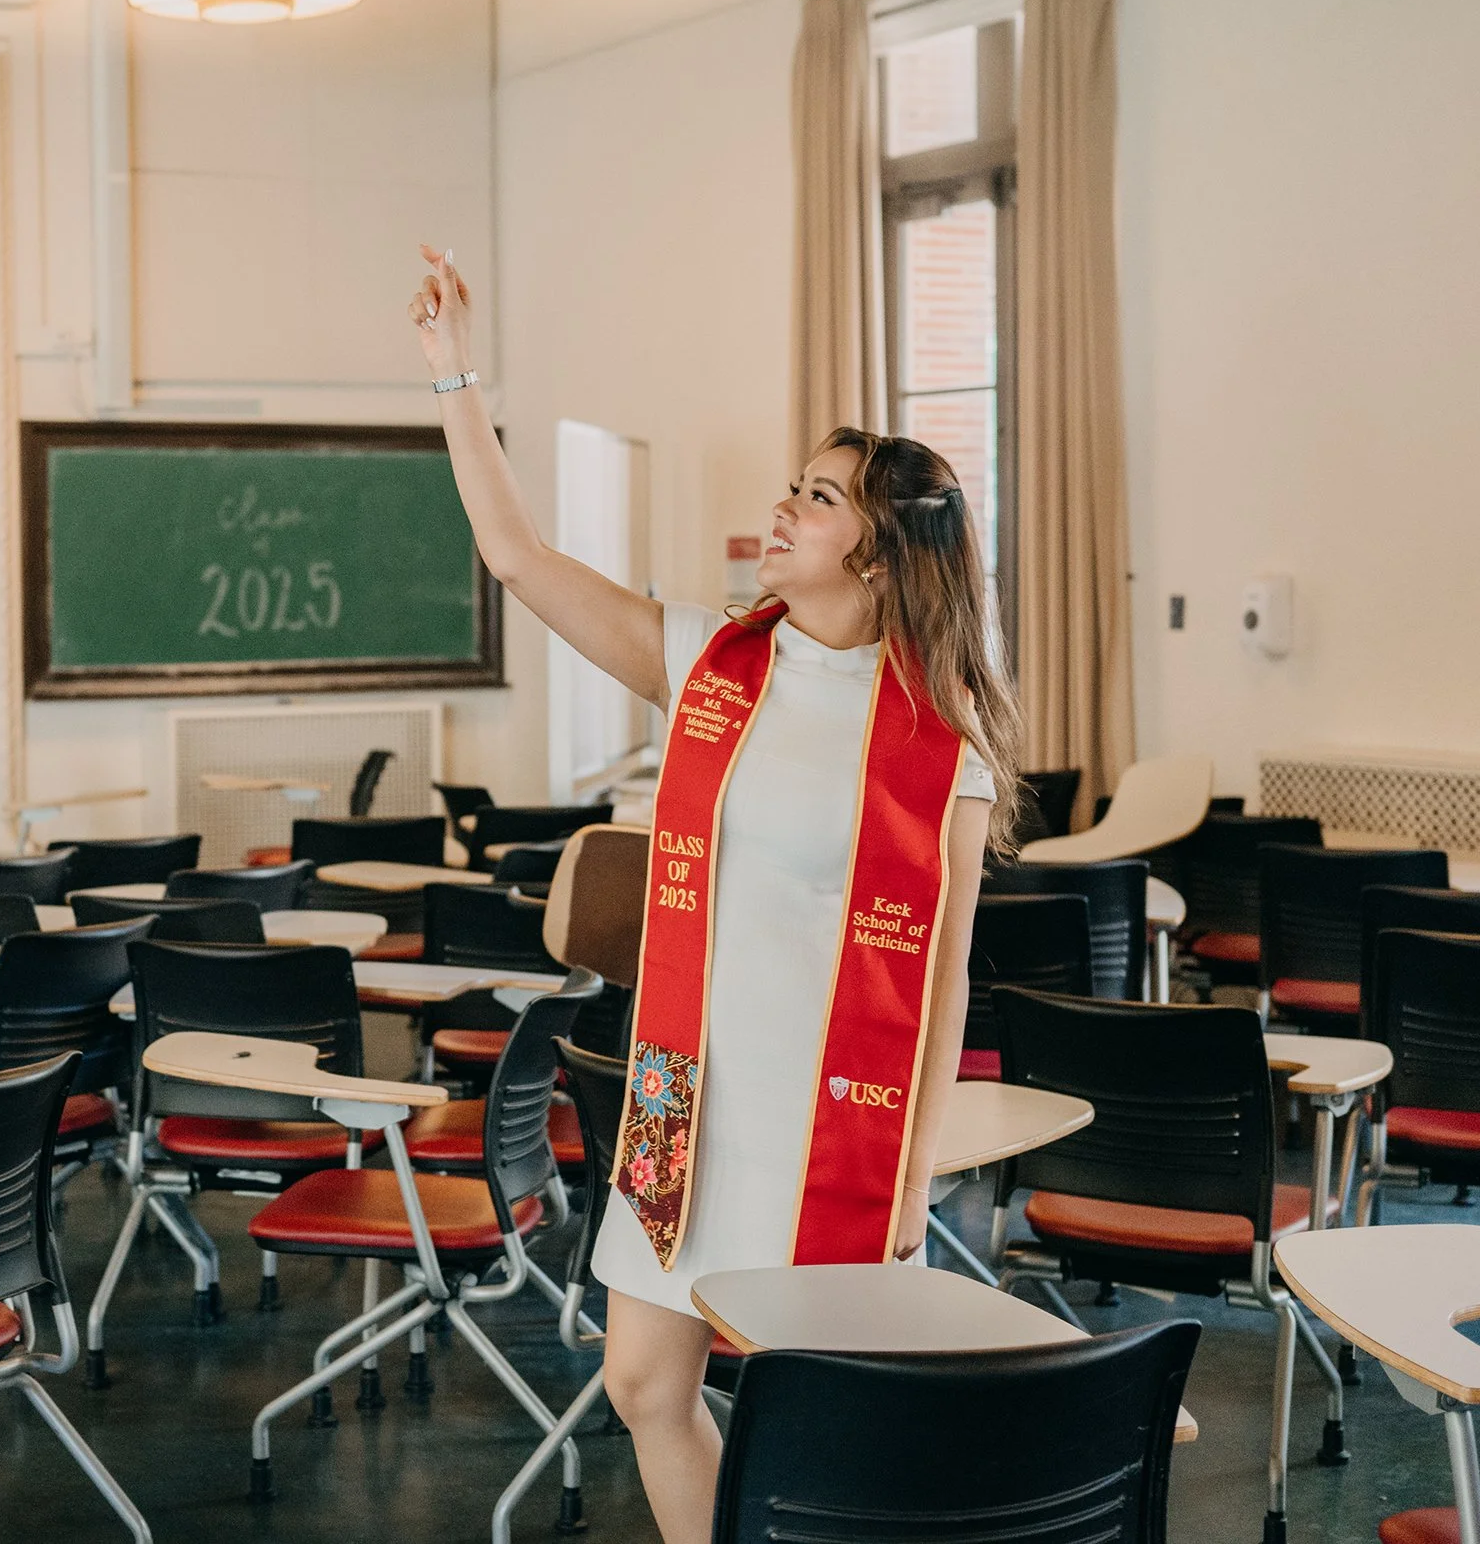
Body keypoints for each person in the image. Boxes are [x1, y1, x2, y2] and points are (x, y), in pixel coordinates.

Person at [407, 244, 1020, 1544]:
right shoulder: (710, 662)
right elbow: (515, 555)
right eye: (792, 487)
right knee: (643, 1384)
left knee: (830, 1422)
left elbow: (942, 977)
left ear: (880, 551)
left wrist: (912, 1177)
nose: (782, 508)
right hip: (686, 1096)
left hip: (825, 1123)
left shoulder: (937, 745)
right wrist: (457, 376)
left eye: (817, 496)